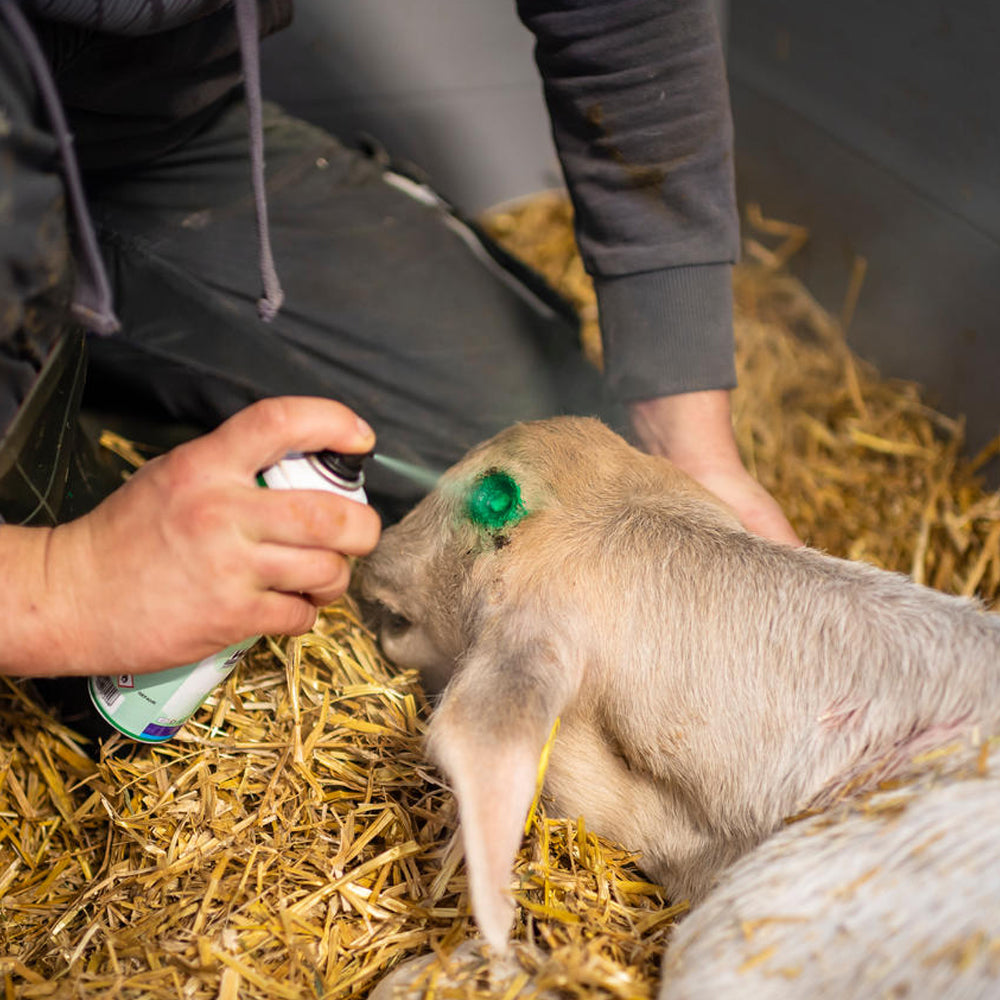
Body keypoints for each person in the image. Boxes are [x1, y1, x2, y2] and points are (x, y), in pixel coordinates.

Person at [0, 0, 799, 681]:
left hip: (146, 133)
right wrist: (62, 591)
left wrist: (693, 449)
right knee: (86, 681)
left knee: (539, 458)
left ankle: (111, 368)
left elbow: (627, 23)